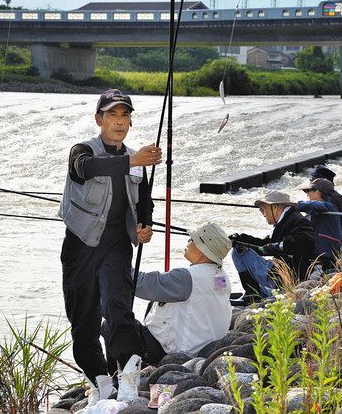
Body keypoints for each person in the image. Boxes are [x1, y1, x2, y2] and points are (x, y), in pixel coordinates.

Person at [58, 89, 162, 404]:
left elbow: (145, 203)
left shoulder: (137, 162)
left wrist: (145, 227)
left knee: (119, 307)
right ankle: (102, 380)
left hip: (118, 243)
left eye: (124, 115)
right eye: (112, 115)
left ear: (129, 121)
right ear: (99, 119)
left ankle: (128, 376)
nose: (119, 122)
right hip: (81, 245)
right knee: (83, 317)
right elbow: (87, 169)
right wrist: (132, 159)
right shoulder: (81, 151)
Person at [131, 222, 233, 361]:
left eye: (192, 239)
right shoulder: (222, 277)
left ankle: (121, 377)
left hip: (179, 353)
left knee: (111, 326)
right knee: (154, 302)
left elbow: (139, 284)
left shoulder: (186, 277)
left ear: (203, 249)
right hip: (205, 349)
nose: (188, 241)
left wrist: (118, 258)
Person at [229, 191, 315, 300]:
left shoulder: (296, 220)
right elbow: (265, 246)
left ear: (274, 207)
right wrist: (242, 239)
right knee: (239, 248)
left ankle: (254, 294)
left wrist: (278, 246)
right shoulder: (285, 221)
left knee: (238, 253)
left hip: (286, 277)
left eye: (263, 209)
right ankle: (254, 293)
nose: (263, 214)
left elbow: (307, 241)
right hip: (280, 274)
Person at [296, 178, 342, 271]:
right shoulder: (316, 209)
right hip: (320, 250)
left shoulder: (329, 206)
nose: (307, 194)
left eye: (309, 191)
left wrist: (294, 205)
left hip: (326, 252)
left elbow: (317, 205)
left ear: (317, 193)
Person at [310, 166, 342, 253]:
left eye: (312, 179)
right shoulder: (335, 196)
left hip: (340, 247)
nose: (310, 182)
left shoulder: (329, 200)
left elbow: (312, 225)